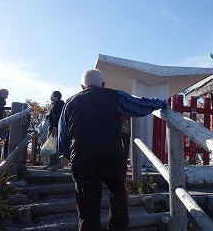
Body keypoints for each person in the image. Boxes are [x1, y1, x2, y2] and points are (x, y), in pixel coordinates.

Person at [58, 69, 167, 231]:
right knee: (118, 197)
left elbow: (62, 140)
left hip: (82, 157)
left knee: (87, 206)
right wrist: (161, 103)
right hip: (112, 153)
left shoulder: (69, 103)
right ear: (103, 84)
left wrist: (73, 156)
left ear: (82, 86)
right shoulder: (114, 96)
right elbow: (140, 105)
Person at [44, 91, 64, 170]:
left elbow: (57, 116)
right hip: (55, 126)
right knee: (50, 145)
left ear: (56, 97)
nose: (50, 97)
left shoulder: (58, 104)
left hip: (54, 127)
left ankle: (57, 163)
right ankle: (51, 163)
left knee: (52, 145)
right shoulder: (59, 104)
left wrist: (55, 126)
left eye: (52, 95)